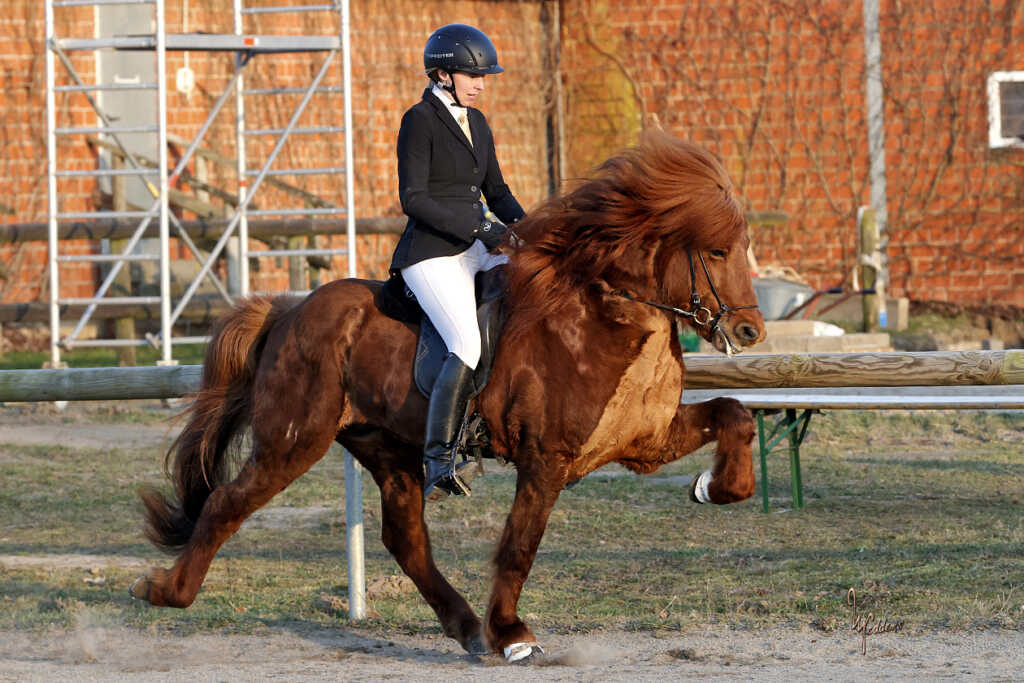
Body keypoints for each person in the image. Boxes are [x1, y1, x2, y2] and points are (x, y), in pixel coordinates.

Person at [389, 24, 525, 498]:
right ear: (443, 74)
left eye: (484, 76)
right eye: (472, 75)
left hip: (474, 250)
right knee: (466, 341)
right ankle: (439, 461)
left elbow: (498, 193)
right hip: (431, 254)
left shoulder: (478, 122)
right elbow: (414, 199)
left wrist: (531, 234)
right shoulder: (419, 120)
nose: (481, 84)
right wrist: (483, 229)